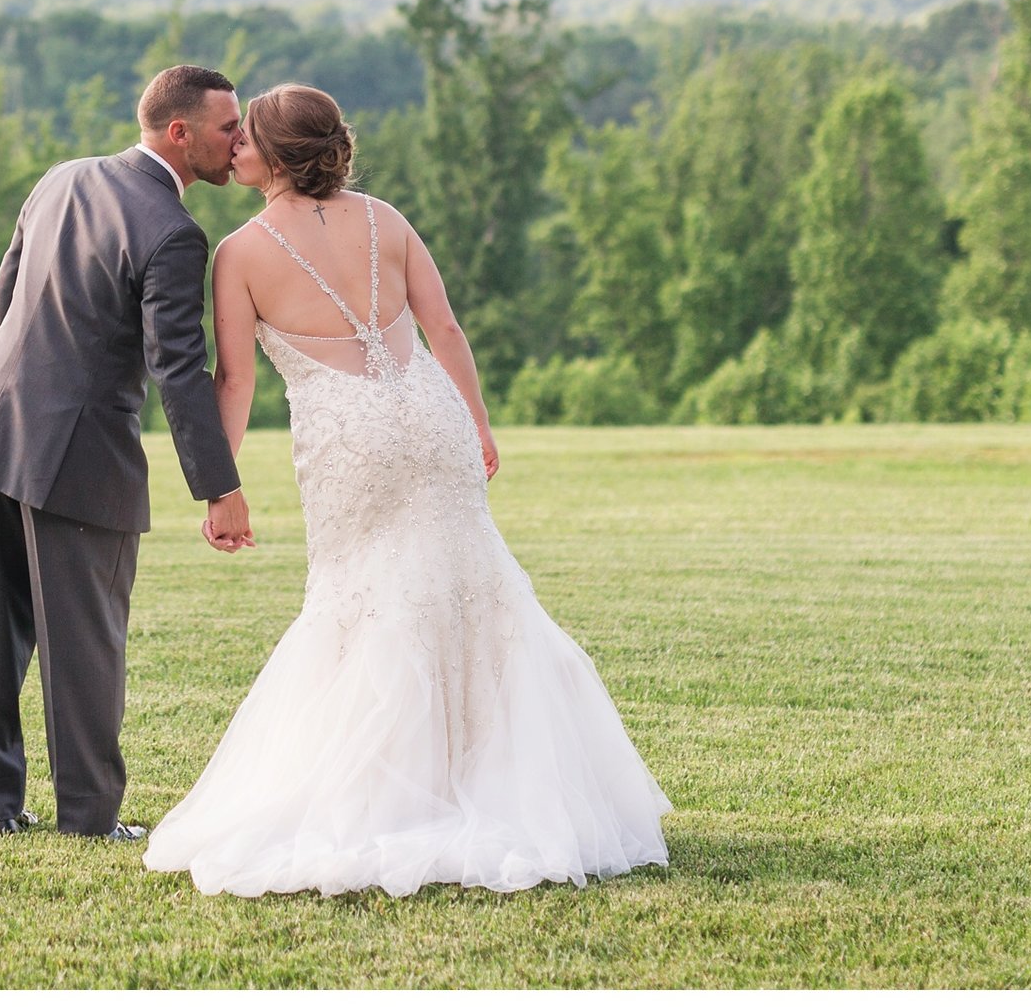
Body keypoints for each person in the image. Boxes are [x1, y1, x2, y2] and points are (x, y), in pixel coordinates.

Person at [142, 82, 672, 897]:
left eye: (246, 135)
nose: (234, 145)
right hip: (434, 418)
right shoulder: (385, 218)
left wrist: (222, 485)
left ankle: (389, 793)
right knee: (471, 588)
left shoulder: (240, 254)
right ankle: (500, 784)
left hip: (353, 443)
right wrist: (479, 424)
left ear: (277, 157)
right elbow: (445, 329)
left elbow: (237, 383)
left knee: (369, 602)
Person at [0, 64, 256, 841]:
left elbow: (4, 294)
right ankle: (88, 818)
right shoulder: (175, 233)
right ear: (179, 133)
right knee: (87, 641)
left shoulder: (63, 177)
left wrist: (21, 388)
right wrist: (220, 488)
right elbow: (176, 367)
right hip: (77, 449)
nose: (238, 139)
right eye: (227, 127)